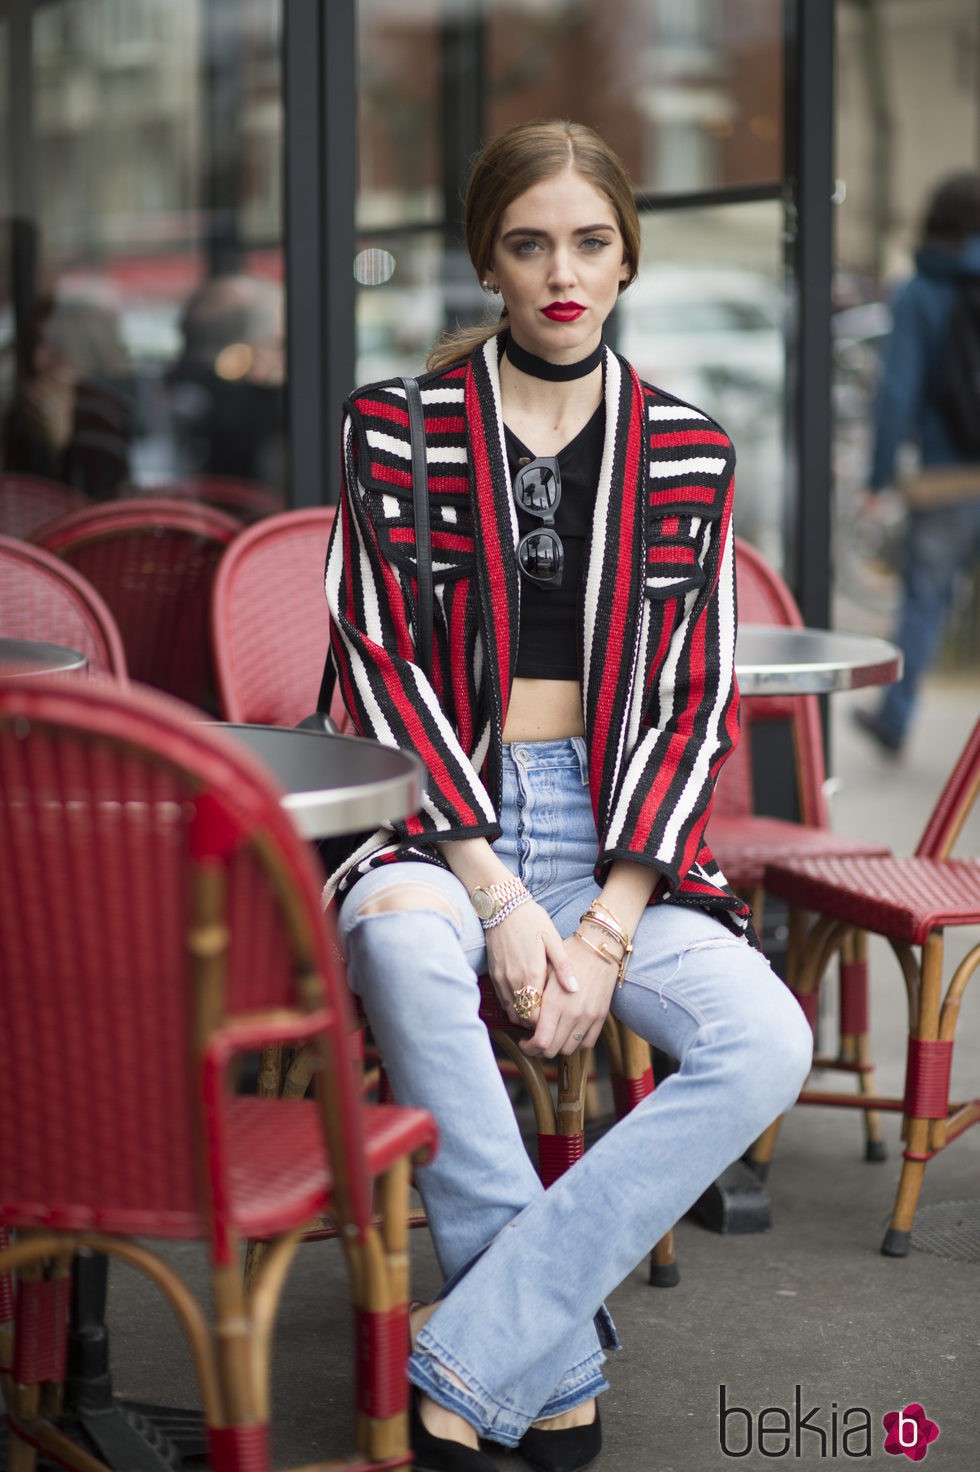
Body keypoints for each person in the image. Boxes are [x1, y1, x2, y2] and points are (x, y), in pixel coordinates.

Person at [324, 119, 812, 1472]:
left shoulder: (689, 453)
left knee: (765, 1041)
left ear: (626, 258)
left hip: (615, 840)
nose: (561, 271)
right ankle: (546, 1364)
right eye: (530, 242)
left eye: (589, 242)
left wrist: (602, 925)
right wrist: (493, 895)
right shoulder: (397, 430)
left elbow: (694, 697)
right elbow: (377, 665)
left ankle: (487, 1340)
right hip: (440, 817)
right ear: (487, 257)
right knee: (399, 943)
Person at [854, 170, 980, 757]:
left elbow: (898, 391)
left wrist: (878, 477)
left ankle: (896, 719)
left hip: (947, 477)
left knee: (925, 600)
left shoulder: (919, 289)